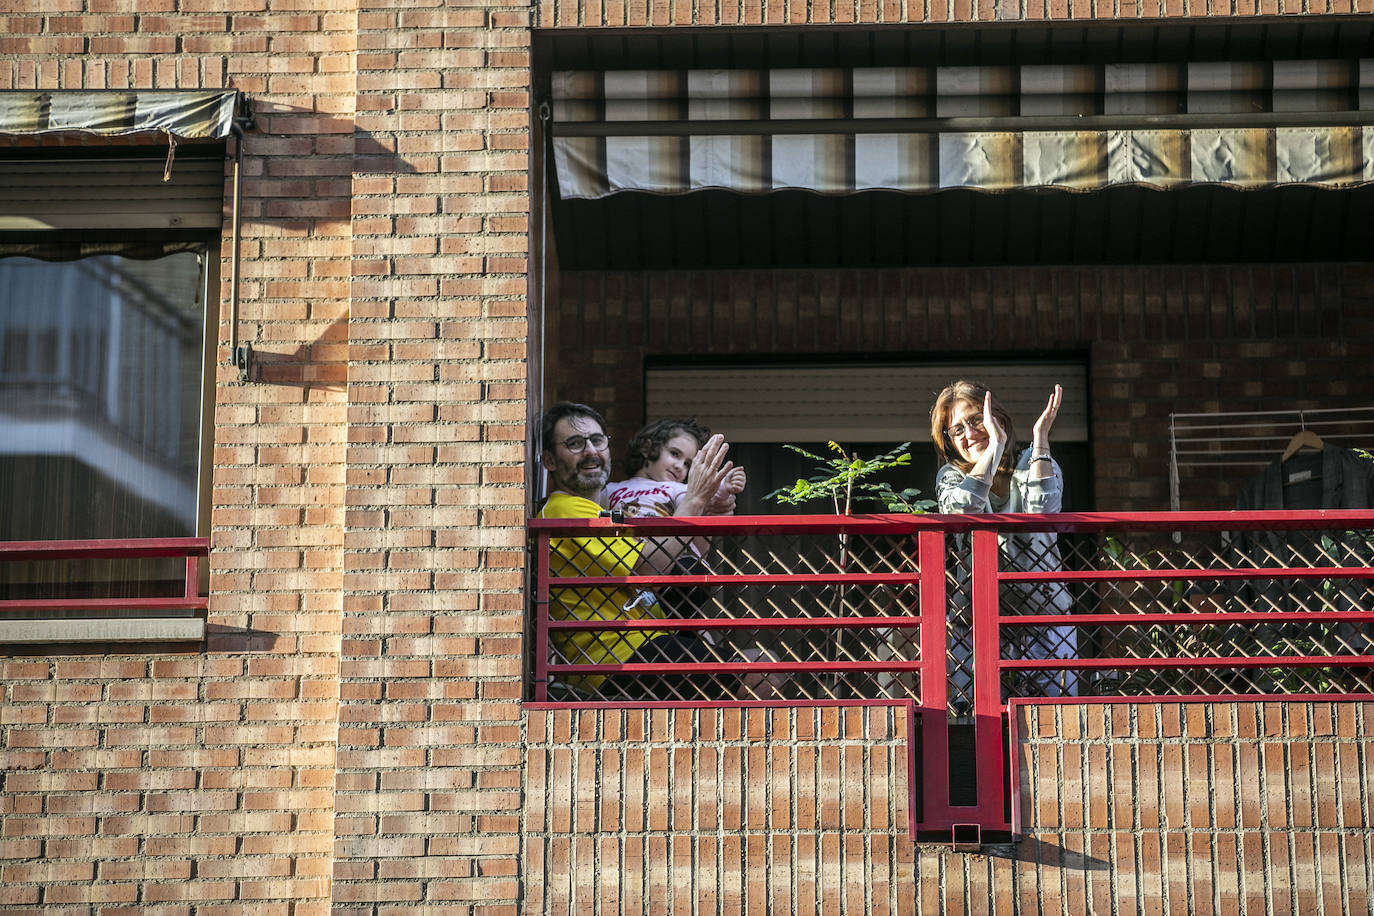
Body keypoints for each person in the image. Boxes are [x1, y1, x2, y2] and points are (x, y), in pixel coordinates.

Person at [535, 402, 738, 699]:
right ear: (550, 461)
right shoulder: (565, 508)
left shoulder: (602, 511)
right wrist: (694, 498)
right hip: (619, 658)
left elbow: (667, 561)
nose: (591, 451)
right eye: (575, 444)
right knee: (762, 674)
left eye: (597, 440)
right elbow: (647, 567)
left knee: (758, 666)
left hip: (644, 647)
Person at [929, 381, 1077, 700]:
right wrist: (994, 449)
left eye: (975, 420)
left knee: (1053, 719)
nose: (969, 433)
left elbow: (1044, 512)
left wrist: (1040, 441)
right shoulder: (951, 476)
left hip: (1045, 617)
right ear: (950, 443)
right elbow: (962, 509)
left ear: (999, 420)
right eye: (957, 430)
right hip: (974, 623)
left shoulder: (1031, 462)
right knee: (972, 721)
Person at [604, 418, 747, 616]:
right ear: (647, 448)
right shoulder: (612, 489)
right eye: (674, 454)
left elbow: (705, 498)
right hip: (626, 566)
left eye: (688, 463)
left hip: (667, 574)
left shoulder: (677, 489)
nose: (680, 466)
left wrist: (725, 487)